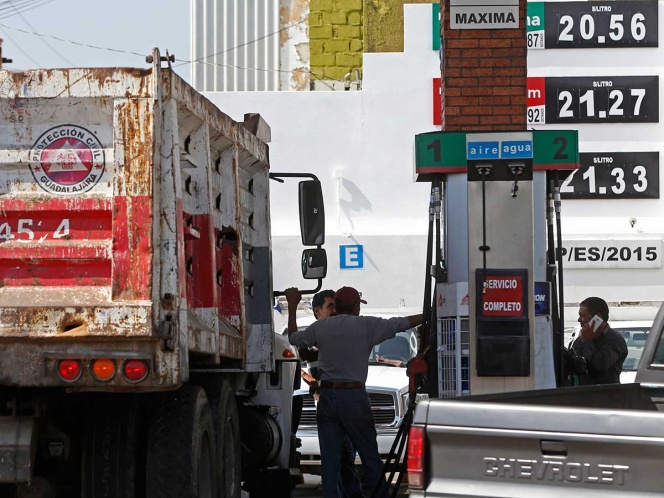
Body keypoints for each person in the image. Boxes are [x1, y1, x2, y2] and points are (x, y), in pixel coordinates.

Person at [286, 286, 423, 498]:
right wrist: (428, 314)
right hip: (353, 398)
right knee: (369, 456)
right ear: (356, 306)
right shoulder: (366, 325)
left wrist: (292, 305)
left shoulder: (321, 327)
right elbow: (401, 323)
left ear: (337, 307)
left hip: (326, 397)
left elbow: (294, 338)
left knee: (330, 463)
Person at [287, 288, 364, 498]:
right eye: (330, 306)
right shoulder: (312, 337)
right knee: (338, 457)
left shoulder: (341, 334)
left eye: (336, 306)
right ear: (317, 311)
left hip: (344, 404)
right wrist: (311, 380)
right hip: (327, 403)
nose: (334, 311)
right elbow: (295, 353)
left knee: (344, 456)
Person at [568, 296, 627, 385]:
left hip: (605, 392)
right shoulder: (581, 338)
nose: (579, 320)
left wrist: (587, 341)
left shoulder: (615, 340)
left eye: (582, 315)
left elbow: (600, 365)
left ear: (597, 318)